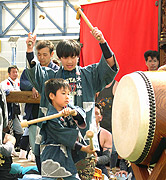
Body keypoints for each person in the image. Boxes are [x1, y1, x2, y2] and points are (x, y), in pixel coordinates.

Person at [25, 27, 118, 166]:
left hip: (84, 139)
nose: (69, 61)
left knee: (83, 174)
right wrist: (29, 49)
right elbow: (34, 72)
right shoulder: (50, 77)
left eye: (73, 57)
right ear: (59, 57)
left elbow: (110, 66)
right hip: (54, 140)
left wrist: (103, 42)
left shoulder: (89, 74)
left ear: (78, 56)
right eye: (65, 57)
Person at [40, 78, 96, 179]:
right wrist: (84, 148)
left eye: (68, 93)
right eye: (63, 93)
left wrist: (74, 112)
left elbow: (81, 112)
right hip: (53, 157)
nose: (67, 97)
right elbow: (64, 137)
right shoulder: (50, 118)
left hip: (67, 157)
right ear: (52, 96)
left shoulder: (68, 107)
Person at [19, 40, 59, 160]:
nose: (41, 58)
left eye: (45, 55)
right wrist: (33, 86)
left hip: (52, 116)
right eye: (39, 54)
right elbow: (23, 83)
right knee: (36, 147)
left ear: (52, 55)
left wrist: (40, 87)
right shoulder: (30, 69)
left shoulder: (57, 71)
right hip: (34, 115)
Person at [95, 80, 119, 172]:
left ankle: (113, 170)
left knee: (113, 150)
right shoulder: (98, 85)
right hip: (98, 123)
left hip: (111, 123)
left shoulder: (115, 85)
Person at [0, 65, 23, 155]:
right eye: (13, 72)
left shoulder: (18, 83)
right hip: (8, 111)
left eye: (16, 72)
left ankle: (14, 148)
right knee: (9, 130)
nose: (15, 74)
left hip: (16, 111)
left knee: (19, 130)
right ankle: (10, 150)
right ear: (9, 74)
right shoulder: (5, 83)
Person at [95, 103, 112, 179]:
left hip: (98, 169)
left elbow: (107, 157)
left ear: (100, 117)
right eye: (91, 113)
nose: (93, 116)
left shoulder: (106, 134)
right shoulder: (78, 132)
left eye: (96, 113)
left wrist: (96, 160)